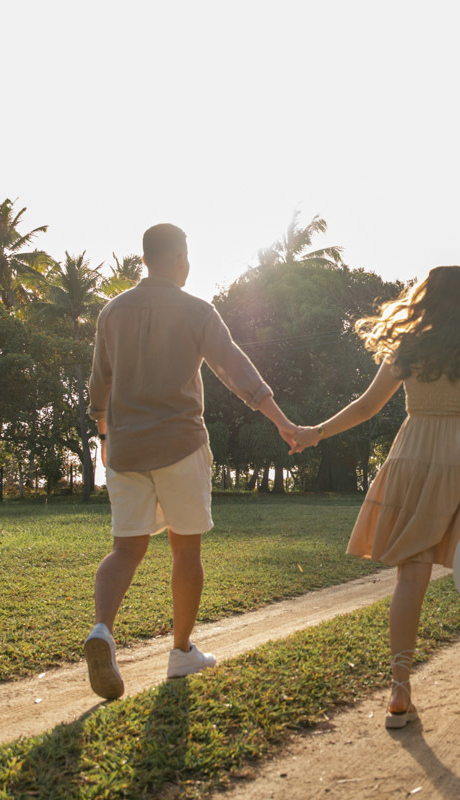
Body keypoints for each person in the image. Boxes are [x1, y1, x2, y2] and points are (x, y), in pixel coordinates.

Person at [290, 265, 460, 728]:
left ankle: (399, 690)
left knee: (411, 576)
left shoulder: (407, 349)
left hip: (411, 458)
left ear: (425, 301)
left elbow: (366, 406)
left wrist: (316, 432)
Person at [83, 223, 298, 700]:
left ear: (144, 260)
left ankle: (102, 630)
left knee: (125, 549)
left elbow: (100, 382)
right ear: (181, 258)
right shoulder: (197, 310)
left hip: (126, 449)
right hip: (180, 444)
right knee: (186, 551)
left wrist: (104, 432)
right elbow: (236, 370)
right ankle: (181, 652)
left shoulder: (111, 312)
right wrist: (282, 422)